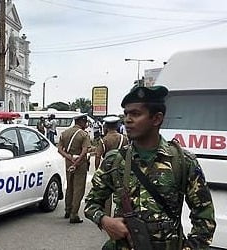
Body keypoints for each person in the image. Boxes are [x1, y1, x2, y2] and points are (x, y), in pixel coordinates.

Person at [85, 86, 216, 249]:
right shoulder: (115, 160)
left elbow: (204, 218)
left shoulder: (183, 161)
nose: (127, 120)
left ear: (156, 119)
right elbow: (91, 203)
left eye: (135, 114)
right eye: (126, 114)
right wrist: (105, 221)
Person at [58, 114, 91, 224]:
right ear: (81, 122)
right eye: (85, 122)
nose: (86, 124)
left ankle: (67, 210)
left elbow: (59, 149)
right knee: (78, 188)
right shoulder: (83, 134)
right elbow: (84, 151)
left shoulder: (64, 133)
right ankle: (74, 214)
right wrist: (77, 162)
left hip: (68, 161)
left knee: (69, 186)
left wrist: (69, 158)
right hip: (80, 163)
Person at [94, 115, 128, 217]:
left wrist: (97, 170)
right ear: (117, 125)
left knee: (106, 195)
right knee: (121, 194)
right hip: (121, 169)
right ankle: (120, 216)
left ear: (106, 127)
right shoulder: (124, 138)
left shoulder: (104, 140)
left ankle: (107, 217)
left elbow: (97, 156)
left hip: (107, 169)